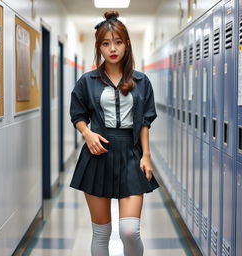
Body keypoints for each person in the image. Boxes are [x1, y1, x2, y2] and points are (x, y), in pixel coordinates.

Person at [69, 10, 159, 256]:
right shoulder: (87, 81)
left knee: (130, 231)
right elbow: (77, 114)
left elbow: (145, 121)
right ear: (99, 47)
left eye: (118, 42)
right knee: (101, 233)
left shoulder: (141, 81)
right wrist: (86, 133)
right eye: (106, 43)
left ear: (127, 45)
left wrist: (146, 155)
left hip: (131, 154)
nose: (113, 48)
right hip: (97, 155)